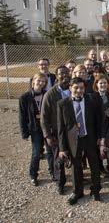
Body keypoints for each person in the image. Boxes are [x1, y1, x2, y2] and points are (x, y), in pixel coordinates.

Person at [57, 77, 102, 205]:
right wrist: (62, 148)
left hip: (90, 138)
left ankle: (96, 189)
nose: (79, 90)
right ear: (70, 88)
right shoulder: (62, 104)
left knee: (94, 164)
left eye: (81, 88)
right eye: (76, 87)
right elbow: (61, 128)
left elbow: (98, 120)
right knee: (76, 166)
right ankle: (77, 192)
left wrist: (99, 137)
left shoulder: (91, 100)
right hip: (73, 140)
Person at [40, 65, 71, 195]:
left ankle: (77, 180)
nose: (64, 76)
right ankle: (60, 182)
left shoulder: (74, 89)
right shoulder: (50, 94)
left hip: (71, 131)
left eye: (66, 73)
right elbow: (44, 117)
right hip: (57, 133)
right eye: (60, 74)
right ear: (56, 76)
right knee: (58, 158)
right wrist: (47, 135)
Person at [19, 73, 50, 186]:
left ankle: (53, 173)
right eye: (39, 80)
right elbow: (22, 117)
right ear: (33, 81)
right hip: (35, 128)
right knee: (36, 152)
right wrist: (24, 132)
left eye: (43, 81)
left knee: (50, 151)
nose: (41, 83)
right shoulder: (25, 97)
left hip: (46, 127)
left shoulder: (47, 94)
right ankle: (33, 175)